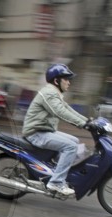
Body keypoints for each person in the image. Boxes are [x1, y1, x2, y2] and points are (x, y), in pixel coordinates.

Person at [22, 63, 93, 196]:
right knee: (71, 146)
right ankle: (56, 182)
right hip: (36, 133)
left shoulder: (55, 93)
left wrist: (87, 121)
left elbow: (67, 109)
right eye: (66, 79)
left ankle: (55, 170)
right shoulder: (49, 93)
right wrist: (83, 124)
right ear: (56, 80)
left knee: (75, 140)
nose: (69, 83)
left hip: (45, 130)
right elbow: (60, 111)